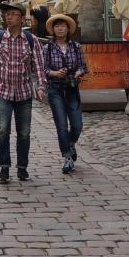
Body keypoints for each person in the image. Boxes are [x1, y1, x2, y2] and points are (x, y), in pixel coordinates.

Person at [0, 1, 46, 183]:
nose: (8, 17)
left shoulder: (31, 40)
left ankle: (22, 167)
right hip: (3, 92)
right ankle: (4, 167)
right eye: (7, 14)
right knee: (3, 130)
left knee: (24, 132)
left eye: (12, 14)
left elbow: (38, 66)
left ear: (21, 19)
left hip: (24, 93)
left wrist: (41, 87)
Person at [42, 14, 87, 174]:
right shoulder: (47, 48)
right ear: (53, 29)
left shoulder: (76, 46)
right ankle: (67, 157)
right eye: (57, 26)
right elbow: (43, 69)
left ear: (68, 29)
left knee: (77, 125)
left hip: (72, 88)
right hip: (55, 89)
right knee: (61, 125)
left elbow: (83, 66)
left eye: (62, 26)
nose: (60, 29)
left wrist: (78, 73)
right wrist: (54, 73)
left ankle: (71, 143)